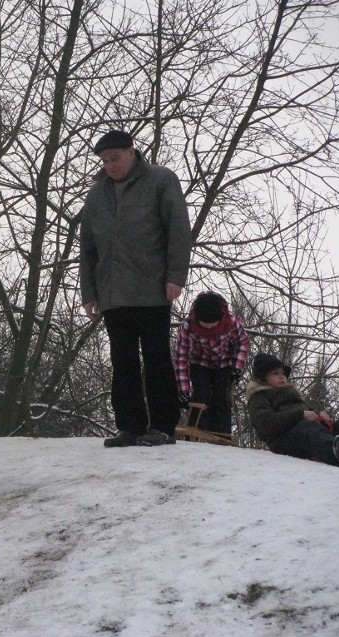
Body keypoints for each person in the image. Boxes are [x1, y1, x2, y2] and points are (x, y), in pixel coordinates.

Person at [79, 130, 192, 447]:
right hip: (112, 292)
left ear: (132, 152)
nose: (109, 166)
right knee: (122, 360)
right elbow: (87, 246)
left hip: (152, 286)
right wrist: (89, 292)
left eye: (114, 158)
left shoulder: (161, 180)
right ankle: (130, 426)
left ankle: (163, 427)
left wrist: (176, 276)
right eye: (104, 161)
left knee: (156, 357)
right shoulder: (96, 194)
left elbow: (178, 230)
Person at [245, 353, 339, 466]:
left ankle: (338, 448)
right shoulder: (258, 397)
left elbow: (311, 422)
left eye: (283, 373)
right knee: (306, 427)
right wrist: (301, 414)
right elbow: (266, 424)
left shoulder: (293, 395)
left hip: (314, 435)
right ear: (263, 378)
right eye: (275, 373)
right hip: (285, 442)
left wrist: (322, 419)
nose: (281, 376)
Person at [173, 291, 250, 434]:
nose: (208, 327)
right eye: (204, 324)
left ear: (220, 318)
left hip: (225, 364)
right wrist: (183, 390)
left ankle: (222, 433)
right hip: (200, 363)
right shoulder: (188, 326)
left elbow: (243, 343)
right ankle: (195, 431)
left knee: (222, 396)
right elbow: (181, 357)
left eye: (212, 324)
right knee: (201, 395)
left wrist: (237, 368)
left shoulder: (232, 323)